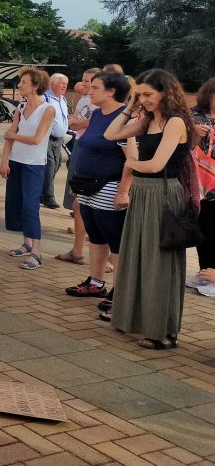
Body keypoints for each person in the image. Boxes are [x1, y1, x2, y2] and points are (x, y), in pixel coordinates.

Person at [104, 68, 198, 350]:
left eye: (148, 94)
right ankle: (137, 321)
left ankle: (163, 332)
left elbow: (156, 165)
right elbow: (111, 134)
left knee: (159, 265)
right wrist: (130, 107)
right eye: (139, 94)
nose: (143, 99)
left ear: (165, 92)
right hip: (143, 193)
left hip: (163, 195)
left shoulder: (176, 122)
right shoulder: (147, 120)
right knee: (137, 257)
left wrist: (130, 164)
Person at [63, 71, 132, 309]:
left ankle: (120, 290)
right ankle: (96, 281)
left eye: (95, 87)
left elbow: (130, 160)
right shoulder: (97, 114)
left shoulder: (125, 117)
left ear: (112, 91)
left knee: (115, 238)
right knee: (96, 235)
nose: (89, 91)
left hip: (109, 185)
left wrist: (123, 190)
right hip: (87, 184)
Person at [0, 67, 56, 271]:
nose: (19, 85)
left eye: (23, 82)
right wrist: (4, 161)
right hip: (16, 161)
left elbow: (36, 139)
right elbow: (9, 135)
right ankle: (27, 243)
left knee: (31, 206)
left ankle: (37, 252)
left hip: (34, 164)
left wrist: (11, 136)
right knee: (16, 203)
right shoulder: (20, 107)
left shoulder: (48, 109)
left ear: (35, 85)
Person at [57, 68, 102, 265]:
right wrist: (79, 122)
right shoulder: (84, 99)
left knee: (89, 203)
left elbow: (90, 124)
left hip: (94, 154)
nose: (84, 85)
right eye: (83, 81)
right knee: (77, 200)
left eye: (89, 82)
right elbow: (72, 122)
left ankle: (103, 256)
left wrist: (80, 122)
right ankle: (78, 249)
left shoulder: (102, 105)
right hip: (80, 147)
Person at [188, 76, 215, 288]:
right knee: (201, 230)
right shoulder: (194, 116)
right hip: (197, 182)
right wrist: (195, 135)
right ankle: (204, 271)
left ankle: (213, 275)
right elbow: (181, 147)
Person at [41, 74, 70, 208]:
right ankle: (48, 197)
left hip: (59, 139)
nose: (65, 85)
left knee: (57, 163)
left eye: (66, 83)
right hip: (46, 138)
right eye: (62, 83)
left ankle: (41, 193)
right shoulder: (45, 98)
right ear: (52, 84)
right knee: (49, 166)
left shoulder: (62, 99)